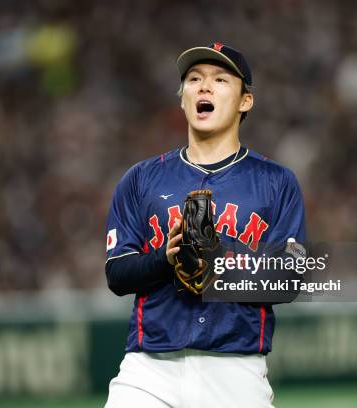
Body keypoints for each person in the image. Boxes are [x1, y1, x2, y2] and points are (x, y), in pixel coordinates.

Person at [104, 42, 306, 408]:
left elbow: (290, 278)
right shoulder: (140, 179)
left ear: (246, 101)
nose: (204, 86)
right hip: (150, 369)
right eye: (194, 79)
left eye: (220, 79)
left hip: (236, 371)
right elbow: (117, 274)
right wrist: (166, 260)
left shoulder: (276, 181)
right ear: (182, 99)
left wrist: (219, 264)